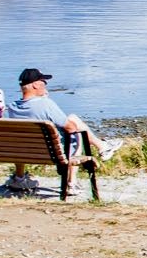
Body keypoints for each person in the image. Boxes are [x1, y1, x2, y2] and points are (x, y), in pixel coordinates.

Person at [6, 67, 89, 195]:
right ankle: (71, 183)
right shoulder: (45, 104)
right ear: (35, 85)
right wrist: (44, 100)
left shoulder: (11, 108)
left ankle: (19, 178)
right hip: (53, 153)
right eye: (44, 82)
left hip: (22, 152)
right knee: (75, 129)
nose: (45, 85)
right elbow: (71, 128)